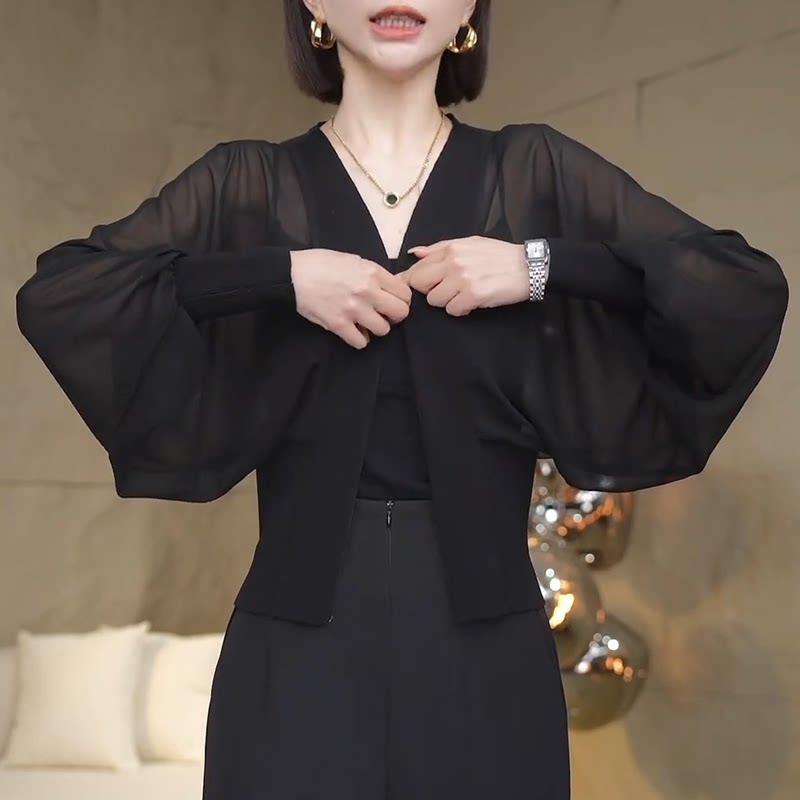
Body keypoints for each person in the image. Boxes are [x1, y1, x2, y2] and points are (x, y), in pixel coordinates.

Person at [15, 1, 789, 798]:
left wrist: (538, 266)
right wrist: (280, 276)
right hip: (292, 667)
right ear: (315, 4)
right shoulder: (250, 183)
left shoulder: (532, 171)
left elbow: (739, 286)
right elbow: (65, 292)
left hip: (490, 669)